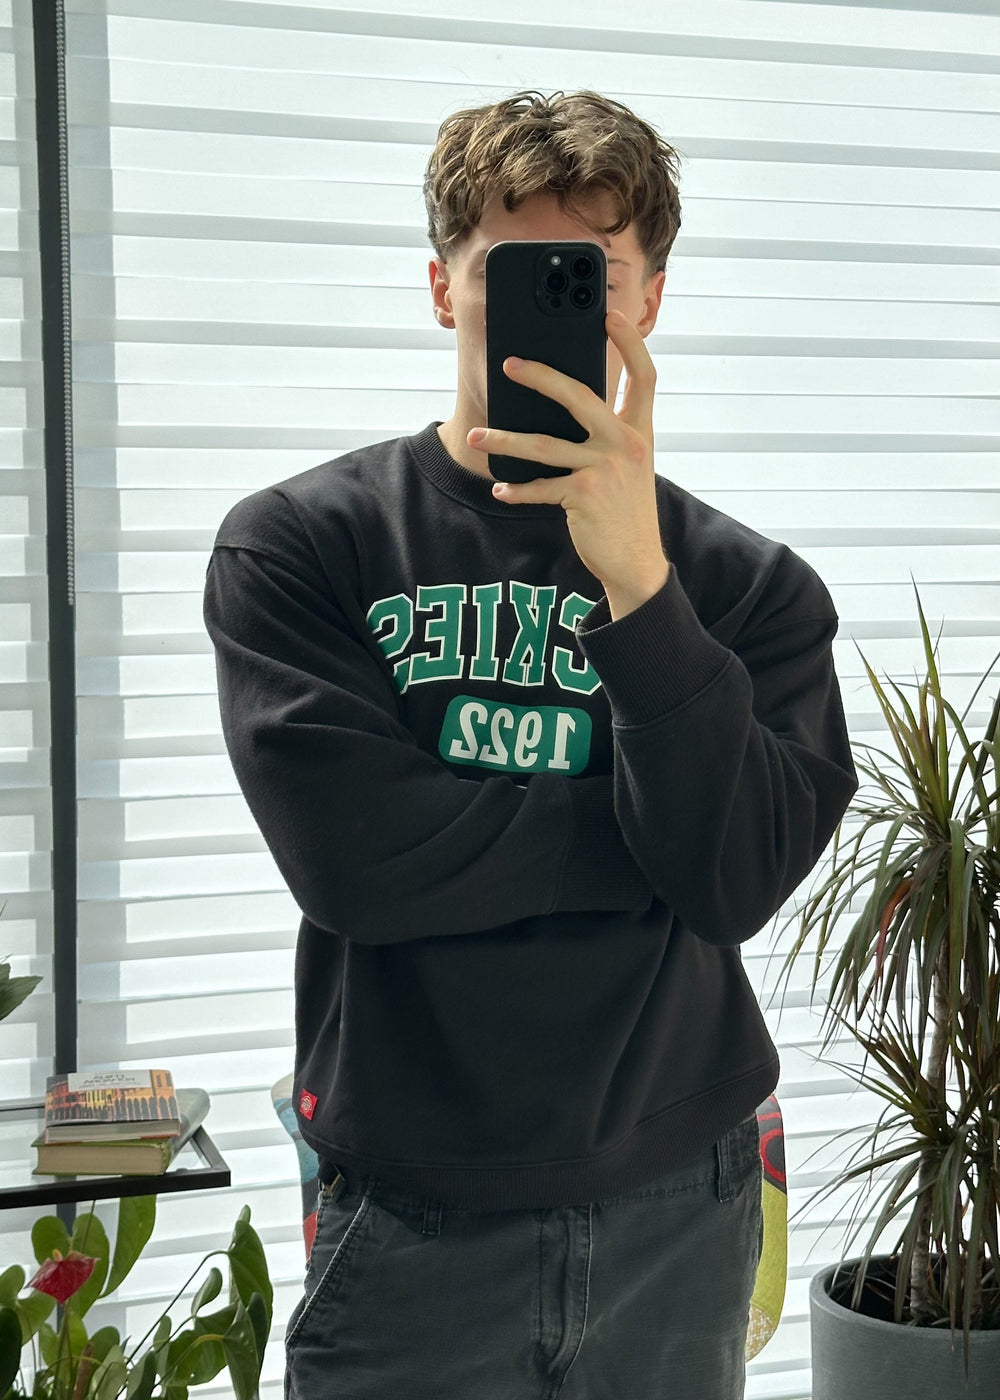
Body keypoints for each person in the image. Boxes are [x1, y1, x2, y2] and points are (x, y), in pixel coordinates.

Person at [204, 89, 859, 1400]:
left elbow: (732, 879)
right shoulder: (302, 548)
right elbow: (358, 869)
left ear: (649, 303)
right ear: (441, 289)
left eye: (591, 277)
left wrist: (642, 593)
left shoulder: (749, 591)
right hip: (412, 1215)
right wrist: (643, 840)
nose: (551, 308)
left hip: (681, 1200)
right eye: (513, 270)